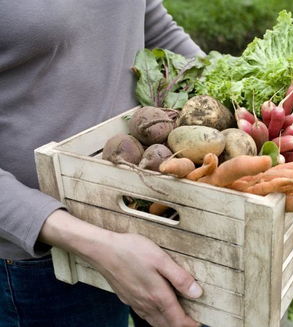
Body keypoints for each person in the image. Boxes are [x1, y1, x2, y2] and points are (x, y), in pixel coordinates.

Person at [0, 1, 207, 326]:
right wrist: (96, 245)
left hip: (150, 205)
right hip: (45, 257)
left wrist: (235, 87)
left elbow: (149, 21)